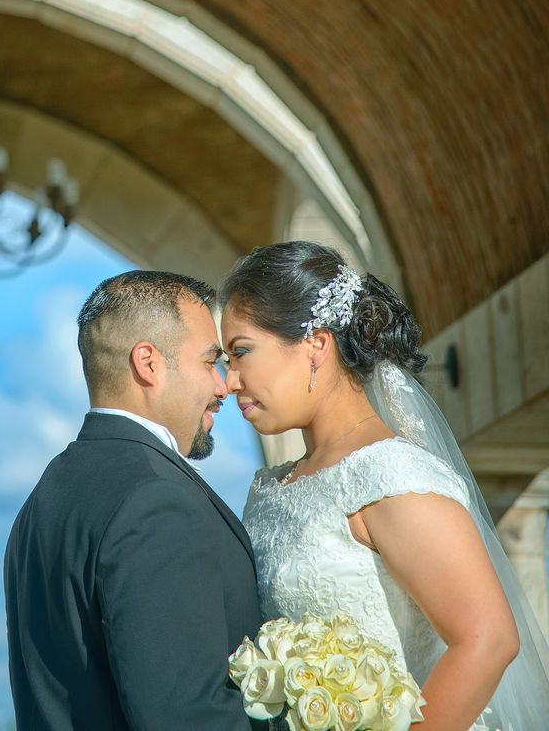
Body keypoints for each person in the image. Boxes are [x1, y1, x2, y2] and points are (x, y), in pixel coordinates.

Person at [220, 241, 549, 731]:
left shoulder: (388, 475)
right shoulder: (270, 486)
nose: (229, 381)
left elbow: (490, 638)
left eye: (241, 352)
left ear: (316, 343)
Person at [4, 269, 263, 731]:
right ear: (148, 362)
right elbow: (187, 715)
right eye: (209, 362)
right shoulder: (157, 501)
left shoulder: (42, 499)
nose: (223, 385)